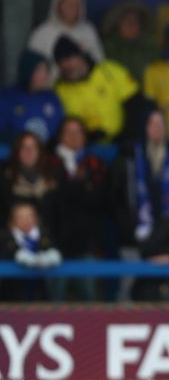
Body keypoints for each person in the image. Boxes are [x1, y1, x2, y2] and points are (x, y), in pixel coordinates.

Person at [47, 119, 108, 301]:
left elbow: (100, 199)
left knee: (89, 299)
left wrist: (68, 188)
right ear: (60, 136)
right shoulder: (49, 163)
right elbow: (52, 200)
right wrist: (82, 187)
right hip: (54, 244)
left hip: (88, 243)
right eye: (68, 132)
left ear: (84, 137)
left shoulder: (95, 163)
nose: (73, 137)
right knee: (55, 302)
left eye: (78, 132)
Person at [112, 111, 169, 248]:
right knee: (134, 268)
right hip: (134, 232)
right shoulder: (129, 155)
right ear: (144, 127)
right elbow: (116, 195)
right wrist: (127, 225)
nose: (157, 127)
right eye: (152, 123)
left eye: (161, 123)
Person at [53, 35, 140, 142]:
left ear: (80, 56)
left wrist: (125, 137)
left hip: (119, 143)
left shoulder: (109, 71)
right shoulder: (59, 90)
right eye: (61, 62)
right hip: (83, 148)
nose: (67, 66)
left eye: (69, 58)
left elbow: (136, 103)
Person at [28, 0, 104, 66]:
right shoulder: (42, 34)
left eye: (76, 4)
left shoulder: (88, 31)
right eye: (68, 3)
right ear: (57, 6)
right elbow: (32, 70)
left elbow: (99, 62)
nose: (72, 8)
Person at [0, 201, 61, 300]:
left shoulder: (45, 235)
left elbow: (55, 253)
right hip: (11, 295)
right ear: (12, 221)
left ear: (36, 218)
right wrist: (17, 256)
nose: (26, 220)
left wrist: (48, 258)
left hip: (40, 296)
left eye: (29, 216)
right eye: (21, 217)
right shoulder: (5, 238)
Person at [0, 50, 64, 144]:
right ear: (28, 71)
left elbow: (59, 130)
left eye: (46, 71)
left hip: (46, 152)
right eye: (39, 70)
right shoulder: (8, 97)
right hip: (14, 151)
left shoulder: (52, 98)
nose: (44, 75)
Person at [0, 132, 58, 226]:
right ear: (17, 152)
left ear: (40, 151)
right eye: (23, 147)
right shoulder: (4, 180)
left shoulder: (55, 177)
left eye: (34, 147)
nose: (29, 151)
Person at [100, 0, 160, 81]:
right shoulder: (108, 48)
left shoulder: (151, 47)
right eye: (126, 21)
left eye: (135, 21)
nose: (131, 25)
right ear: (118, 24)